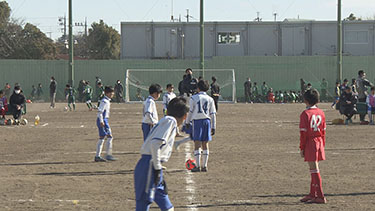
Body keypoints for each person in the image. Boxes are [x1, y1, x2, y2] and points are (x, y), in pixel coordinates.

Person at [134, 97, 189, 211]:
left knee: (166, 205)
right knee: (144, 203)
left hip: (151, 164)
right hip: (149, 165)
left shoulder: (166, 120)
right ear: (185, 116)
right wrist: (157, 168)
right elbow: (155, 144)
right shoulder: (170, 121)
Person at [299, 88, 327, 204]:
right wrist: (322, 145)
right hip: (319, 140)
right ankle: (312, 193)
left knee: (314, 169)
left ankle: (320, 196)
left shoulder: (305, 114)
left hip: (311, 142)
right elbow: (324, 131)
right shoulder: (321, 112)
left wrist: (302, 147)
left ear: (306, 100)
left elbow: (303, 133)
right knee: (313, 168)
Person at [185, 80, 216, 172]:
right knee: (205, 143)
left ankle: (197, 166)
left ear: (198, 88)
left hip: (197, 121)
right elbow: (213, 113)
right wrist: (213, 126)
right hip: (206, 121)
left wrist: (187, 122)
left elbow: (190, 111)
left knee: (197, 143)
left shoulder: (194, 98)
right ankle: (204, 166)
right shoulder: (210, 99)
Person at [94, 86, 116, 162]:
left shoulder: (107, 101)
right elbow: (100, 112)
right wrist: (101, 121)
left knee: (108, 137)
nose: (112, 94)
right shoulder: (104, 101)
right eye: (111, 92)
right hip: (102, 120)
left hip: (104, 120)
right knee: (104, 137)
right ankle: (100, 156)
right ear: (107, 93)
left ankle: (106, 155)